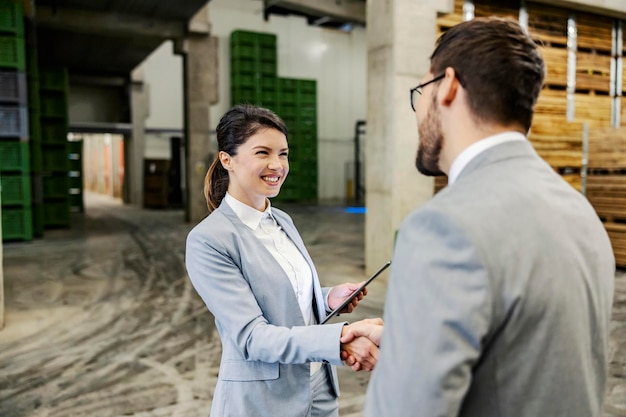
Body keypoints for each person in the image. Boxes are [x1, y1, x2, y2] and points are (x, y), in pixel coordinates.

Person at [363, 17, 615, 417]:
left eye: (420, 93)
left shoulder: (442, 227)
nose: (417, 112)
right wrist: (408, 343)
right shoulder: (580, 212)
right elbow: (533, 356)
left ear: (447, 87)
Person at [185, 104, 381, 417]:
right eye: (263, 152)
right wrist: (340, 339)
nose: (277, 165)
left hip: (317, 387)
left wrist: (327, 297)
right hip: (264, 400)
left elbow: (283, 295)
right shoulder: (209, 240)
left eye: (283, 153)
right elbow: (253, 337)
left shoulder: (282, 221)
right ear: (227, 160)